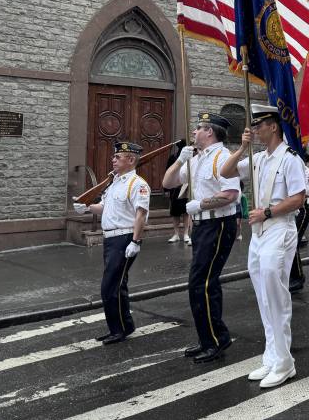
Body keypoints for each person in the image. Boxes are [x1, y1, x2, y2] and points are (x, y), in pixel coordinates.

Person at [219, 104, 306, 388]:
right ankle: (271, 355)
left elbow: (298, 198)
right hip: (258, 233)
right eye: (252, 126)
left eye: (258, 126)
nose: (254, 130)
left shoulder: (290, 159)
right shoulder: (258, 159)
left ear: (273, 126)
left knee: (276, 296)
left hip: (278, 229)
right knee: (263, 296)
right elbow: (226, 171)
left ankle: (284, 361)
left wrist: (268, 212)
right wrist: (242, 148)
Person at [162, 112, 239, 364]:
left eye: (198, 128)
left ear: (210, 131)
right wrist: (179, 161)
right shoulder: (196, 159)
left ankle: (214, 341)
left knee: (202, 284)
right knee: (203, 283)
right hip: (201, 227)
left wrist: (200, 205)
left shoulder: (224, 158)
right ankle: (213, 337)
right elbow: (168, 182)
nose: (194, 132)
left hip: (218, 224)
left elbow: (230, 195)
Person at [74, 141, 149, 344]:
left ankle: (119, 329)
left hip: (124, 238)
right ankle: (124, 326)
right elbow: (104, 208)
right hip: (110, 239)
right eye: (114, 157)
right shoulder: (114, 182)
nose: (113, 159)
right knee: (118, 285)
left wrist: (135, 241)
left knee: (110, 287)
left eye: (118, 157)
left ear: (131, 160)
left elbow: (141, 215)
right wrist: (87, 207)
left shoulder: (138, 184)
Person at [288, 153, 309, 292]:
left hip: (302, 207)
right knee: (289, 242)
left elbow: (305, 194)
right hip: (290, 208)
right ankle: (290, 274)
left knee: (294, 242)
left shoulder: (307, 173)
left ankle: (298, 277)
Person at [165, 145, 191, 244]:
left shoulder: (191, 157)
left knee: (186, 212)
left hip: (186, 187)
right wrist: (166, 189)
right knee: (175, 212)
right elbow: (168, 171)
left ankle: (186, 234)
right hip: (174, 188)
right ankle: (176, 234)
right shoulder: (173, 157)